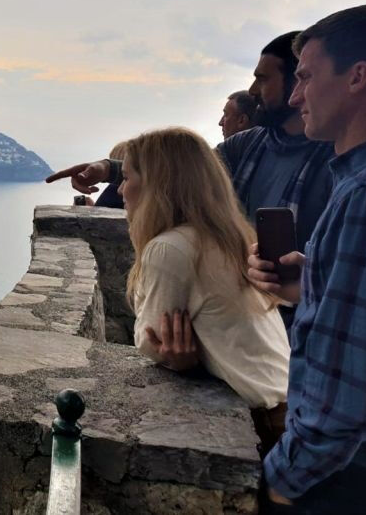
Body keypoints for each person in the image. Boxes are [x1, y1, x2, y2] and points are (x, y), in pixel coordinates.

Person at [248, 4, 366, 514]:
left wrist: (278, 484)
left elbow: (352, 405)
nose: (295, 96)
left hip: (351, 487)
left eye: (306, 76)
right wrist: (313, 286)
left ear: (357, 77)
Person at [48, 32, 335, 329]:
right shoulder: (248, 145)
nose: (251, 90)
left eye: (262, 80)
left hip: (302, 325)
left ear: (298, 82)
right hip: (241, 318)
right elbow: (183, 172)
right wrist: (107, 168)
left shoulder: (335, 159)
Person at [122, 127, 289, 454]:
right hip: (287, 408)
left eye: (127, 177)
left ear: (156, 185)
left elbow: (151, 340)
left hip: (262, 427)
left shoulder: (171, 249)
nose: (120, 189)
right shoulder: (232, 237)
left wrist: (178, 357)